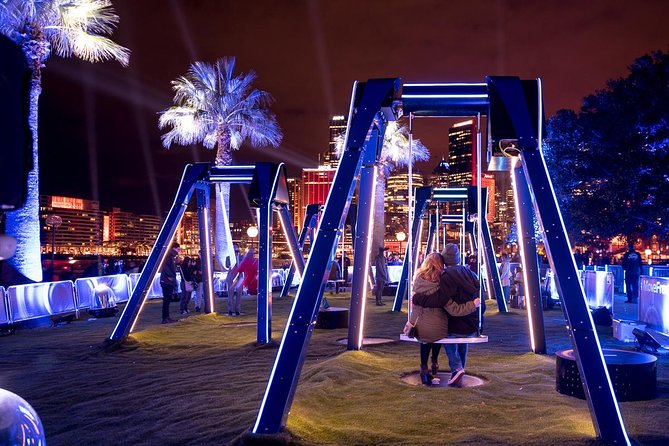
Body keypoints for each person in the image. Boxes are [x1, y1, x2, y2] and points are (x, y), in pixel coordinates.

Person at [404, 253, 480, 386]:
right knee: (445, 333)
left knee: (426, 339)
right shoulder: (441, 284)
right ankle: (440, 363)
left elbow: (416, 300)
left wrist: (416, 300)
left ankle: (424, 367)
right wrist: (472, 305)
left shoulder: (417, 281)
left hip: (417, 327)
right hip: (437, 330)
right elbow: (453, 309)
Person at [440, 243, 482, 387]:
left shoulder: (446, 277)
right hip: (471, 321)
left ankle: (457, 369)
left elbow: (446, 301)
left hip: (454, 321)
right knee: (462, 343)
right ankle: (459, 371)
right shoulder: (471, 273)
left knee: (446, 339)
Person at [159, 242, 180, 324]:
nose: (179, 251)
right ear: (173, 248)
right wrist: (171, 276)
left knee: (167, 300)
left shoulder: (171, 257)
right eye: (178, 249)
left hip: (167, 280)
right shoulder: (168, 256)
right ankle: (165, 318)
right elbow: (165, 267)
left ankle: (166, 317)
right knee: (166, 300)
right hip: (167, 281)